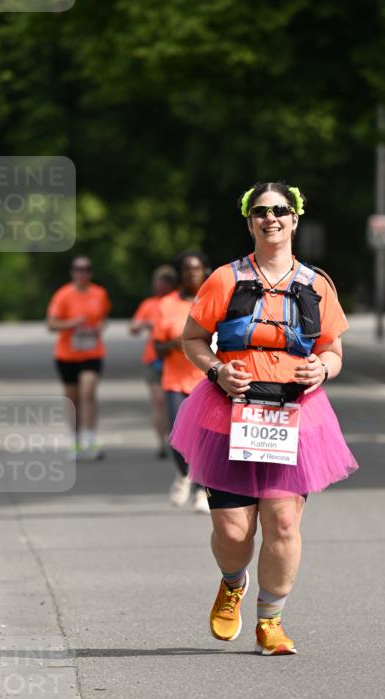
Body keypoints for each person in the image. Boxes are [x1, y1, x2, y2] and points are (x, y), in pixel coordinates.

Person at [172, 182, 358, 655]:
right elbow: (192, 340)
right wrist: (216, 369)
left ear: (295, 219)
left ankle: (270, 621)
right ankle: (233, 581)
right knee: (234, 533)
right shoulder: (224, 279)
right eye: (260, 211)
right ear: (249, 220)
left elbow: (333, 350)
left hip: (295, 415)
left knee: (282, 524)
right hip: (228, 413)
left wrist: (323, 368)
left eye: (280, 210)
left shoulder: (317, 284)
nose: (270, 218)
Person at [152, 251, 212, 513]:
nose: (193, 273)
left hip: (206, 380)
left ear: (205, 271)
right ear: (180, 274)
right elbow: (157, 347)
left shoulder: (214, 300)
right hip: (175, 379)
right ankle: (183, 473)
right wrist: (174, 345)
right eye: (187, 269)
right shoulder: (166, 304)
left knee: (203, 439)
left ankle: (201, 491)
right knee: (176, 437)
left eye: (197, 269)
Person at [46, 256, 111, 460]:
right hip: (67, 354)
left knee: (88, 393)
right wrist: (72, 323)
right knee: (72, 399)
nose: (82, 273)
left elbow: (103, 319)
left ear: (90, 273)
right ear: (72, 272)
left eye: (86, 269)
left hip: (92, 352)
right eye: (78, 269)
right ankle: (75, 441)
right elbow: (51, 325)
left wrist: (100, 327)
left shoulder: (99, 294)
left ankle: (91, 440)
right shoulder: (63, 295)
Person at [130, 265, 178, 458]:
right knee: (158, 401)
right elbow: (133, 328)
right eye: (158, 280)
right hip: (154, 360)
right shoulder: (149, 305)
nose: (160, 284)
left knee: (175, 404)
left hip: (176, 361)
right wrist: (145, 324)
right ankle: (162, 442)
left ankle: (177, 440)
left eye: (165, 280)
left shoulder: (178, 302)